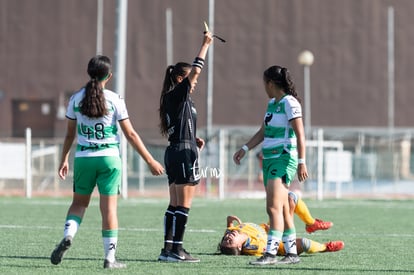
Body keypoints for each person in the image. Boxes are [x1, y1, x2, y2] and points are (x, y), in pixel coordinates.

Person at [50, 55, 164, 269]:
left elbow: (69, 135)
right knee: (109, 210)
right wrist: (150, 160)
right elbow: (130, 133)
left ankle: (68, 236)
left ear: (88, 72)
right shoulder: (114, 99)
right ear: (109, 76)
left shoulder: (75, 98)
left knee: (78, 204)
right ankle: (109, 259)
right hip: (109, 159)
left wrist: (63, 158)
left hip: (84, 158)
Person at [233, 65, 308, 265]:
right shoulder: (271, 104)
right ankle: (291, 254)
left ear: (271, 83)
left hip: (283, 159)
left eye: (264, 83)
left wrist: (301, 162)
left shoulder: (289, 103)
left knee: (272, 208)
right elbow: (263, 131)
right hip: (269, 159)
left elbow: (300, 134)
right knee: (282, 209)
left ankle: (270, 254)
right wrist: (245, 148)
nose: (263, 87)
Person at [157, 30, 213, 263]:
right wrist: (205, 44)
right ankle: (177, 250)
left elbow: (180, 125)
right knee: (184, 204)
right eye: (191, 79)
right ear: (180, 79)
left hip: (178, 149)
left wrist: (193, 138)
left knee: (174, 203)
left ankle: (168, 249)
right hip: (181, 152)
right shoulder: (177, 93)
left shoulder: (178, 99)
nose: (195, 82)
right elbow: (197, 68)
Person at [218, 215, 344, 256]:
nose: (228, 237)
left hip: (269, 228)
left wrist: (229, 220)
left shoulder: (229, 232)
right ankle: (325, 247)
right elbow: (272, 243)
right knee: (304, 243)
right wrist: (275, 230)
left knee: (289, 198)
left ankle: (311, 223)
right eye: (229, 242)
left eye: (225, 239)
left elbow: (228, 228)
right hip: (278, 243)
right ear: (240, 247)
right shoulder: (254, 247)